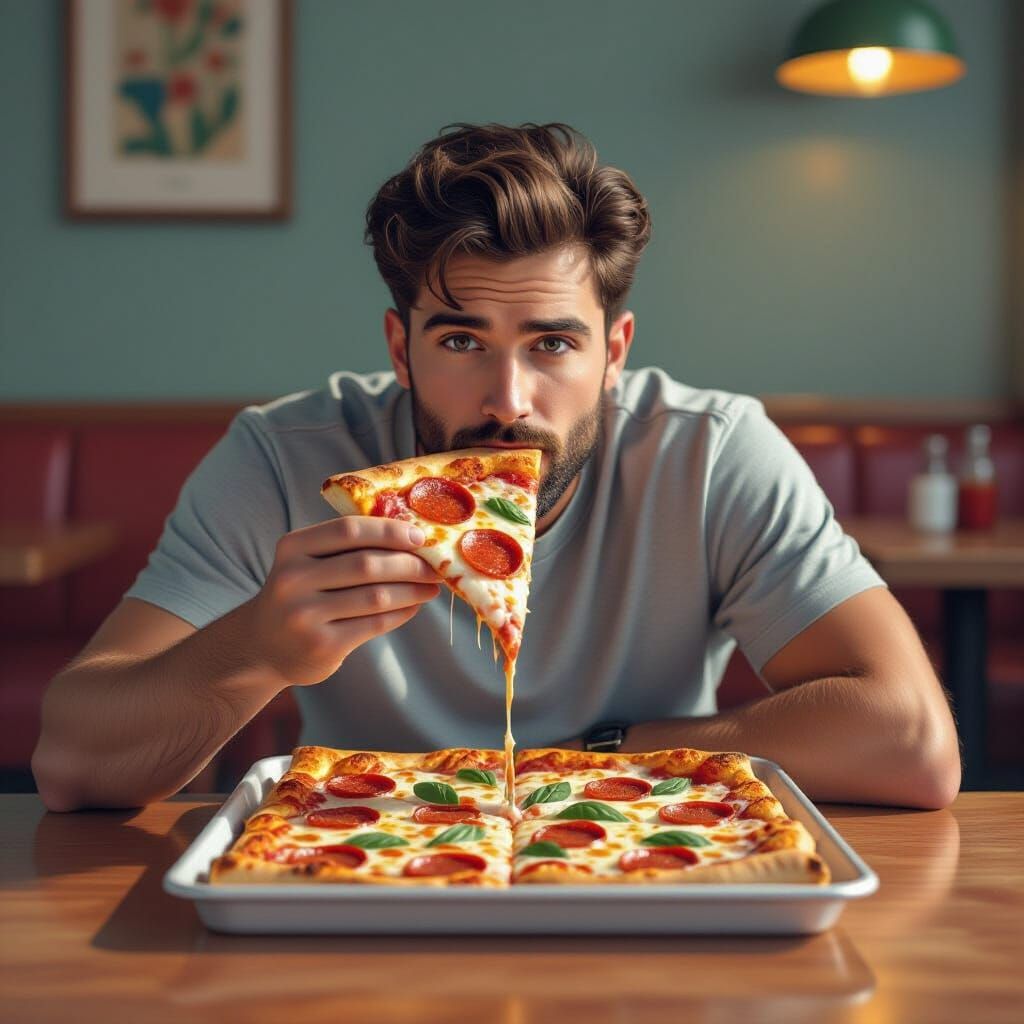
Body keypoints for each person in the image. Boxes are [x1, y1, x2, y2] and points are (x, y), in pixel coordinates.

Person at [32, 123, 960, 812]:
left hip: (630, 851)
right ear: (401, 349)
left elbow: (910, 741)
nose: (507, 398)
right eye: (462, 338)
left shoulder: (710, 451)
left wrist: (595, 752)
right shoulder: (283, 457)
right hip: (361, 868)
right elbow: (71, 762)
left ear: (615, 351)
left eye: (552, 342)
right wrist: (258, 648)